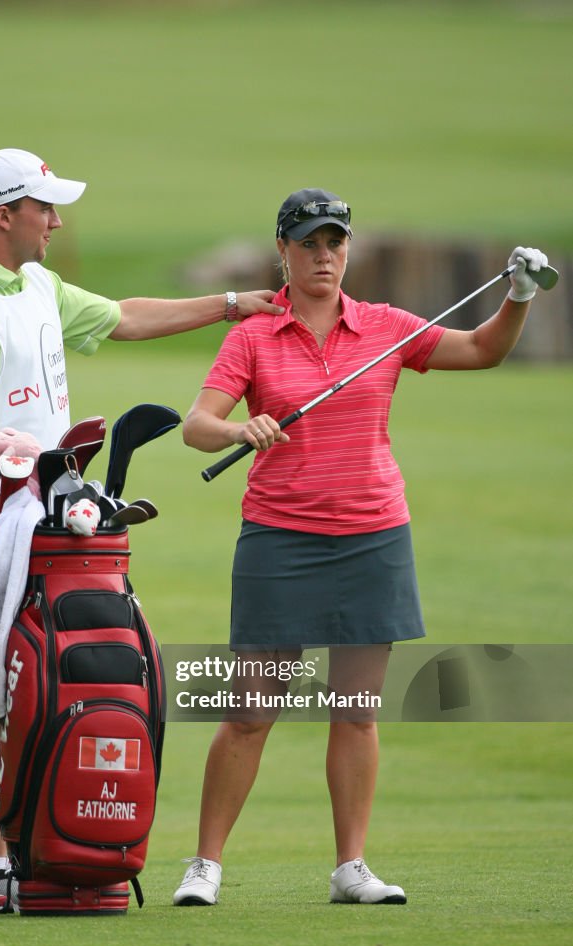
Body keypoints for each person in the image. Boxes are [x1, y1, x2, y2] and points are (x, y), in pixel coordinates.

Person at [0, 147, 284, 915]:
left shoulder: (33, 284)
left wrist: (230, 304)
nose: (56, 219)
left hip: (46, 518)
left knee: (20, 690)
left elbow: (124, 317)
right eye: (43, 206)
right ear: (3, 214)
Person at [172, 187, 550, 907]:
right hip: (280, 537)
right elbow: (197, 424)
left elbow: (480, 350)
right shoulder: (253, 334)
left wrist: (519, 297)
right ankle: (205, 865)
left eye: (334, 242)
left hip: (372, 534)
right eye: (309, 243)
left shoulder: (383, 326)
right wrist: (237, 431)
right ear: (281, 250)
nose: (323, 256)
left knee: (355, 707)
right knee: (251, 710)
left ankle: (351, 869)